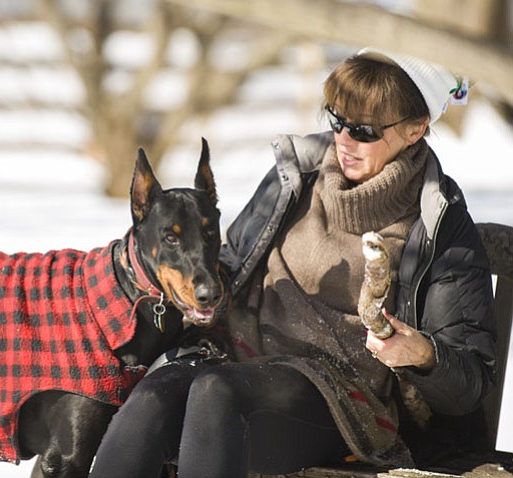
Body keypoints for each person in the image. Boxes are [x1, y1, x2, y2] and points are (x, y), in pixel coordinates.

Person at [87, 47, 496, 478]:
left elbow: (468, 379)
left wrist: (421, 354)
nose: (344, 139)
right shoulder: (296, 178)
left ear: (415, 130)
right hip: (233, 357)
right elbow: (229, 263)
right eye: (337, 120)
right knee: (152, 398)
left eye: (364, 130)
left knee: (216, 394)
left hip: (342, 397)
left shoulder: (437, 223)